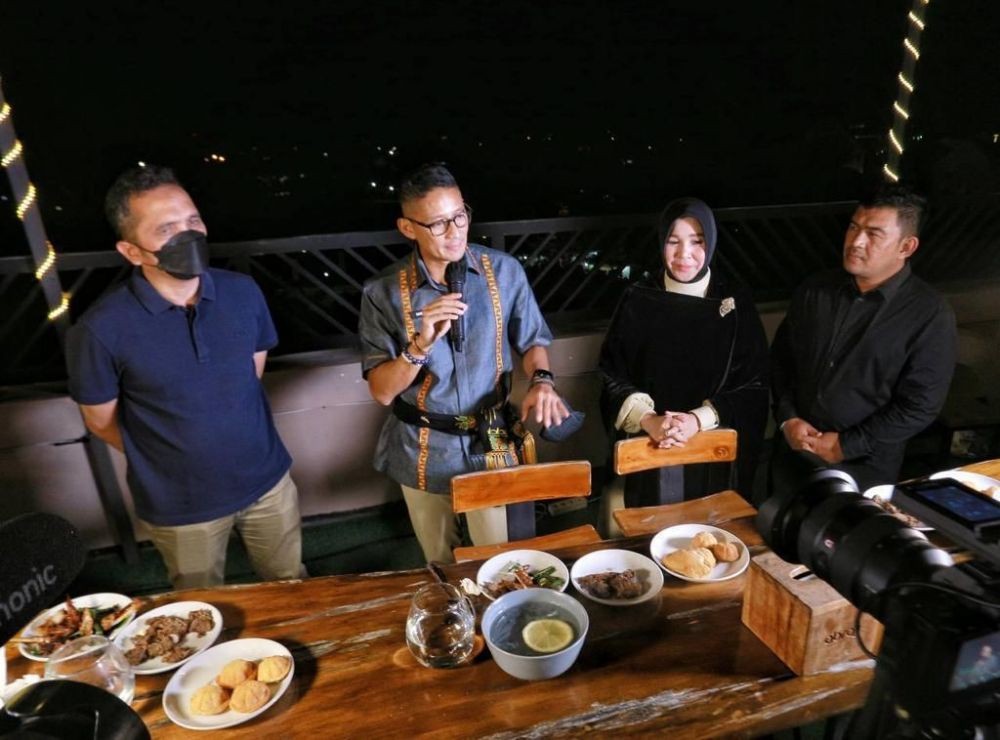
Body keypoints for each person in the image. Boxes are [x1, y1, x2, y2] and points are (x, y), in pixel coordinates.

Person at [66, 165, 305, 589]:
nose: (187, 236)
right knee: (201, 609)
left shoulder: (242, 291)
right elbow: (99, 420)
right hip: (181, 504)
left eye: (192, 220)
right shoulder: (100, 330)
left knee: (291, 585)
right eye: (167, 229)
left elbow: (252, 370)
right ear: (132, 251)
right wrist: (167, 456)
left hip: (267, 480)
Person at [359, 163, 569, 564]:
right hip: (421, 443)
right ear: (408, 228)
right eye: (438, 224)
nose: (455, 231)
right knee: (439, 560)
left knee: (502, 559)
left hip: (490, 436)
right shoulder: (382, 291)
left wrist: (543, 381)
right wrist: (420, 343)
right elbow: (383, 391)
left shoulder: (505, 271)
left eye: (460, 215)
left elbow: (534, 341)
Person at [770, 184, 957, 495]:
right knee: (775, 535)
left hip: (863, 466)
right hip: (793, 452)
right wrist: (787, 419)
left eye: (874, 234)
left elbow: (920, 405)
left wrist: (847, 445)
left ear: (906, 246)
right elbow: (781, 360)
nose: (856, 241)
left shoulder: (929, 314)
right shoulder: (816, 289)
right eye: (854, 227)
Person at [598, 197, 769, 522]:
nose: (683, 255)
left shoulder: (734, 301)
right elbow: (611, 372)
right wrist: (649, 420)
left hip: (714, 456)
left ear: (712, 243)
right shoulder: (638, 296)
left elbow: (754, 383)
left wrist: (697, 419)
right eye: (672, 242)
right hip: (648, 445)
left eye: (697, 242)